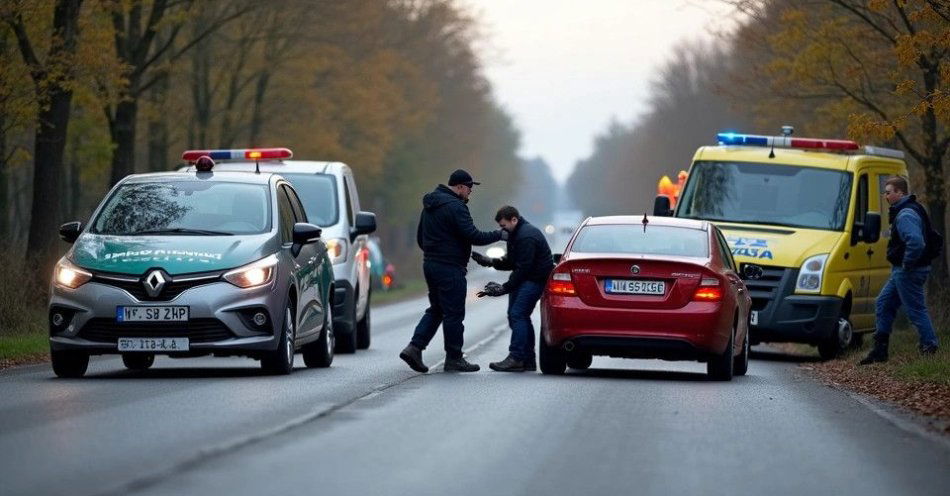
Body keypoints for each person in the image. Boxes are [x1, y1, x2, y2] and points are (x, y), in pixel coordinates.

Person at [399, 169, 505, 373]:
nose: (470, 193)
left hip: (430, 264)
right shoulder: (456, 207)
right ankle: (454, 358)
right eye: (469, 188)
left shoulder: (430, 205)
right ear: (460, 187)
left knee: (437, 309)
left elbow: (421, 237)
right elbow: (474, 235)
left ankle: (414, 348)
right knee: (454, 313)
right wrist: (500, 235)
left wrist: (434, 252)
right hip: (450, 267)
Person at [860, 176, 941, 365]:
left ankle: (929, 346)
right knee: (883, 303)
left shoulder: (905, 214)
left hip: (908, 271)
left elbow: (916, 242)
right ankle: (880, 350)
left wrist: (907, 263)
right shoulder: (909, 209)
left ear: (900, 193)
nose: (885, 196)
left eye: (888, 192)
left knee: (915, 309)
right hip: (904, 271)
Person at [473, 205, 554, 372]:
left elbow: (524, 268)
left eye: (503, 226)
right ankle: (527, 359)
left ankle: (516, 357)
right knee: (517, 315)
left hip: (534, 280)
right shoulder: (516, 234)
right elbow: (512, 262)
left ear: (514, 220)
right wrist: (490, 261)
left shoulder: (526, 236)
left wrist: (505, 288)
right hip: (526, 278)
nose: (501, 230)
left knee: (518, 314)